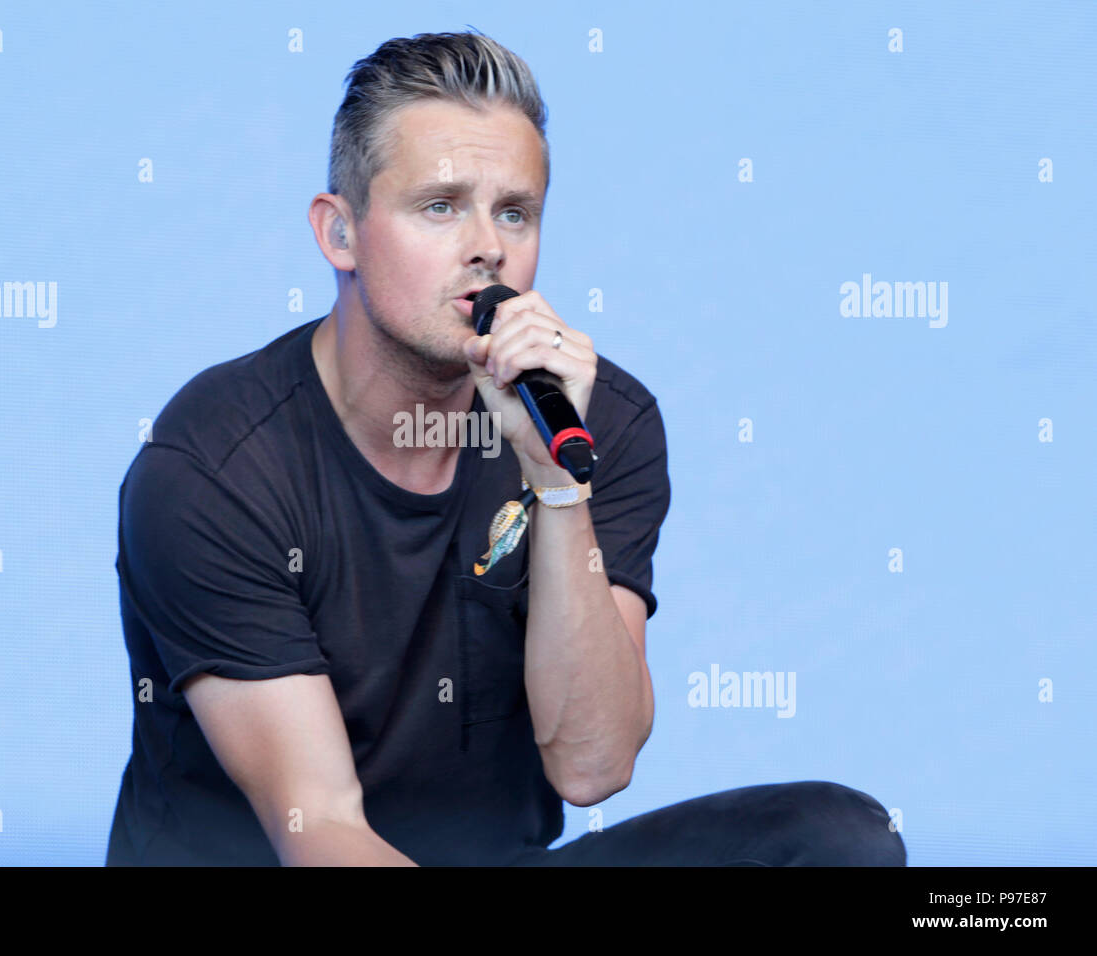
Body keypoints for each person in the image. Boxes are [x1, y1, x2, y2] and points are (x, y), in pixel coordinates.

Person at [105, 29, 905, 867]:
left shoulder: (597, 424)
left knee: (837, 842)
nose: (488, 246)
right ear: (339, 233)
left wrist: (557, 485)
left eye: (514, 212)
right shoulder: (214, 468)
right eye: (441, 205)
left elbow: (592, 764)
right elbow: (322, 827)